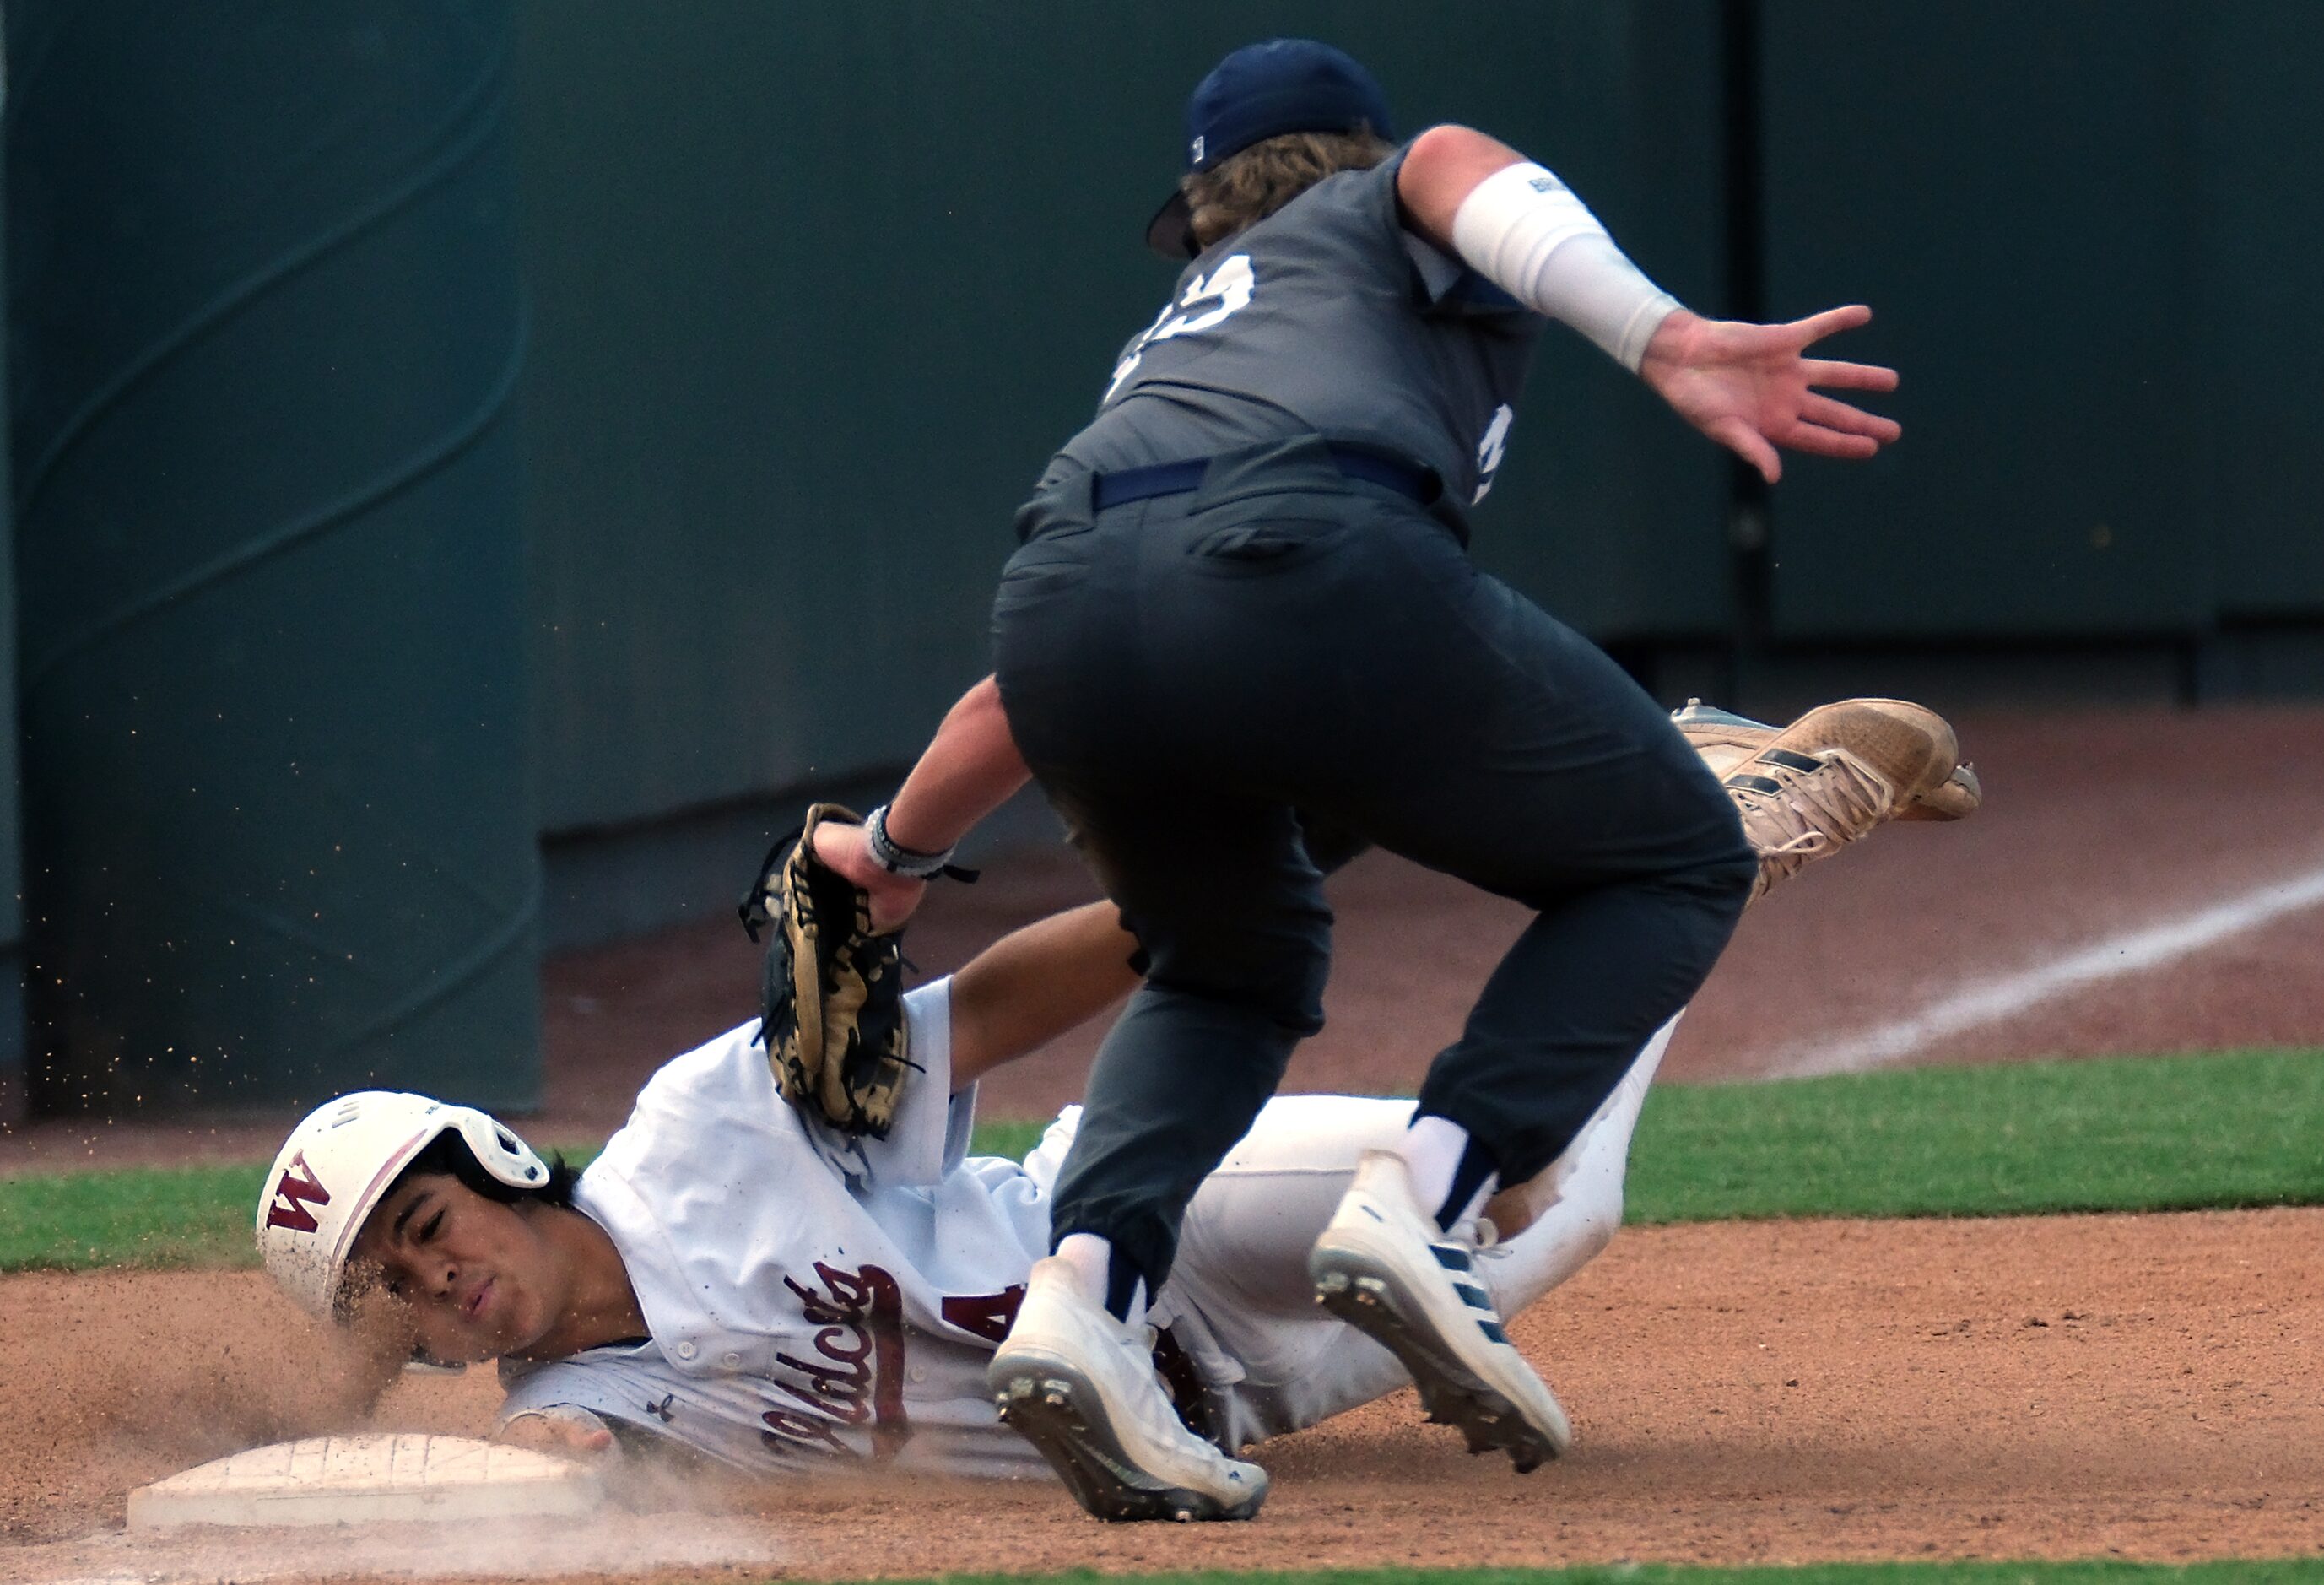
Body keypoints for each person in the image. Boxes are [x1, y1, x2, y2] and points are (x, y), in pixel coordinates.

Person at [801, 39, 1938, 1520]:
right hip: (1305, 557)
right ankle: (1427, 1194)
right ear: (1344, 150)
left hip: (1060, 605)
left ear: (1205, 200)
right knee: (1669, 855)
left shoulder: (1173, 340)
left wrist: (892, 847)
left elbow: (1016, 690)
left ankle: (1083, 1297)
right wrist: (1661, 338)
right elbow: (1452, 157)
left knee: (1224, 963)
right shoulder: (1378, 213)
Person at [255, 702, 1975, 1506]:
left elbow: (985, 1006)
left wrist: (1189, 915)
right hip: (1234, 1408)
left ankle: (1703, 801)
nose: (437, 1278)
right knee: (1583, 1205)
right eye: (395, 1292)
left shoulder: (705, 1129)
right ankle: (1706, 831)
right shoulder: (581, 1412)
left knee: (1487, 1186)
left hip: (1141, 1237)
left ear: (489, 1161)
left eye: (425, 1227)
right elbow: (550, 1472)